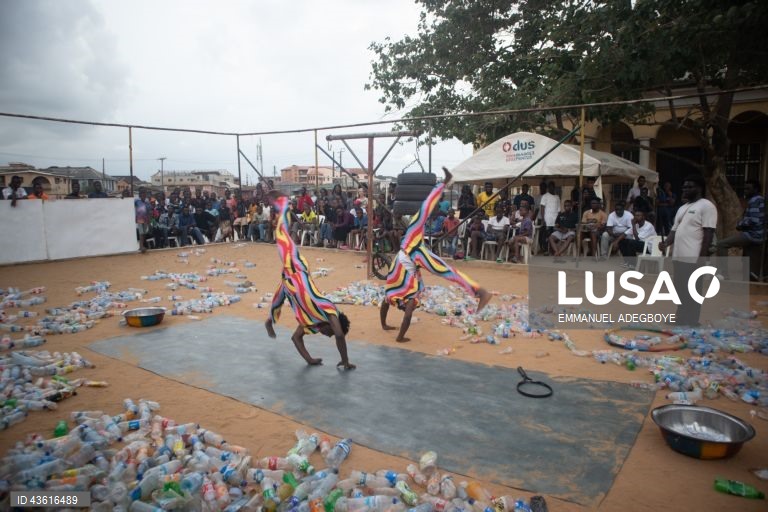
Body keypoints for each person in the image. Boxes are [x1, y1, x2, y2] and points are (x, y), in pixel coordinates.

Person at [381, 168, 491, 342]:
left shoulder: (399, 294)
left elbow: (399, 311)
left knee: (446, 269)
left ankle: (481, 292)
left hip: (412, 251)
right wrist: (388, 328)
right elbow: (390, 307)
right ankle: (480, 292)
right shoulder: (395, 292)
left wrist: (397, 335)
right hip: (409, 256)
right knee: (446, 270)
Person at [264, 190, 355, 369]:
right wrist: (345, 361)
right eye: (330, 332)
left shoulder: (311, 323)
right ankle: (283, 204)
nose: (327, 336)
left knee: (278, 300)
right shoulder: (328, 309)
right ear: (334, 323)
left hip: (289, 283)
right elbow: (338, 335)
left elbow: (295, 338)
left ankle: (269, 321)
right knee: (282, 234)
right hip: (296, 268)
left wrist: (309, 359)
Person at [659, 175, 717, 327]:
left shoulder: (706, 206)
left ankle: (692, 321)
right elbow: (674, 230)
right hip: (678, 257)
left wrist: (702, 258)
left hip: (694, 257)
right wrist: (666, 243)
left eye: (689, 187)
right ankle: (681, 317)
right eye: (684, 187)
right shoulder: (682, 208)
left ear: (699, 188)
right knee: (680, 289)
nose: (685, 189)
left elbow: (708, 233)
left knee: (693, 291)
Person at [715, 179, 764, 279]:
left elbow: (754, 220)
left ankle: (723, 273)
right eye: (745, 189)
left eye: (748, 189)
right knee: (749, 267)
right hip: (758, 235)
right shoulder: (760, 200)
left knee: (721, 244)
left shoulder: (755, 200)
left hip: (751, 234)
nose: (745, 191)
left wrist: (740, 224)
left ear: (756, 189)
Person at [538, 181, 560, 255]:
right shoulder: (545, 196)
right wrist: (543, 219)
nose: (551, 188)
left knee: (554, 236)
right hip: (547, 220)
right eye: (549, 187)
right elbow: (542, 208)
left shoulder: (557, 197)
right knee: (546, 236)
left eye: (552, 186)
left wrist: (558, 220)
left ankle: (552, 250)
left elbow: (559, 210)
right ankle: (546, 250)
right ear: (548, 188)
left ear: (554, 187)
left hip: (555, 220)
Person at [134, 188, 151, 253]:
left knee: (144, 233)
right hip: (139, 219)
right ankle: (141, 246)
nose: (143, 194)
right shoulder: (136, 201)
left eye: (144, 193)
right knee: (141, 233)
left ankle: (142, 245)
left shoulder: (147, 203)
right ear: (139, 195)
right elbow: (128, 203)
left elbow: (149, 213)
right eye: (141, 193)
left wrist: (149, 221)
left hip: (145, 220)